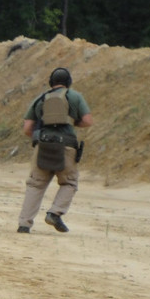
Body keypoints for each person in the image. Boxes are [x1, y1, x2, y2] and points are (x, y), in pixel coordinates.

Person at [17, 67, 93, 233]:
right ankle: (54, 213)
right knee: (69, 182)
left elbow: (27, 128)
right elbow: (87, 121)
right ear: (68, 82)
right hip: (67, 147)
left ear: (51, 82)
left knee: (35, 185)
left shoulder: (39, 99)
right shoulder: (75, 96)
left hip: (43, 146)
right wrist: (72, 122)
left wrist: (39, 138)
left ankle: (24, 224)